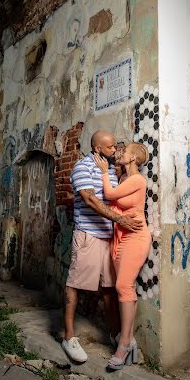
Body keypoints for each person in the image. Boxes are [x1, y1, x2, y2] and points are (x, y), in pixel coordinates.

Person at [62, 131, 143, 363]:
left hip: (110, 237)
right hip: (88, 234)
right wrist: (119, 220)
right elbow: (90, 199)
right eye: (109, 148)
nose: (114, 151)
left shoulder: (110, 171)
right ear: (97, 149)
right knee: (75, 284)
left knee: (110, 288)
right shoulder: (82, 167)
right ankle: (69, 336)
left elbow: (113, 198)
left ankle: (117, 334)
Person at [93, 142, 151, 370]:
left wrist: (104, 172)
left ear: (133, 159)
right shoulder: (124, 179)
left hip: (136, 237)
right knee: (126, 288)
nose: (121, 153)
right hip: (119, 237)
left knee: (122, 286)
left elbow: (109, 194)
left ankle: (124, 343)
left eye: (125, 151)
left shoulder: (138, 180)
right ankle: (131, 341)